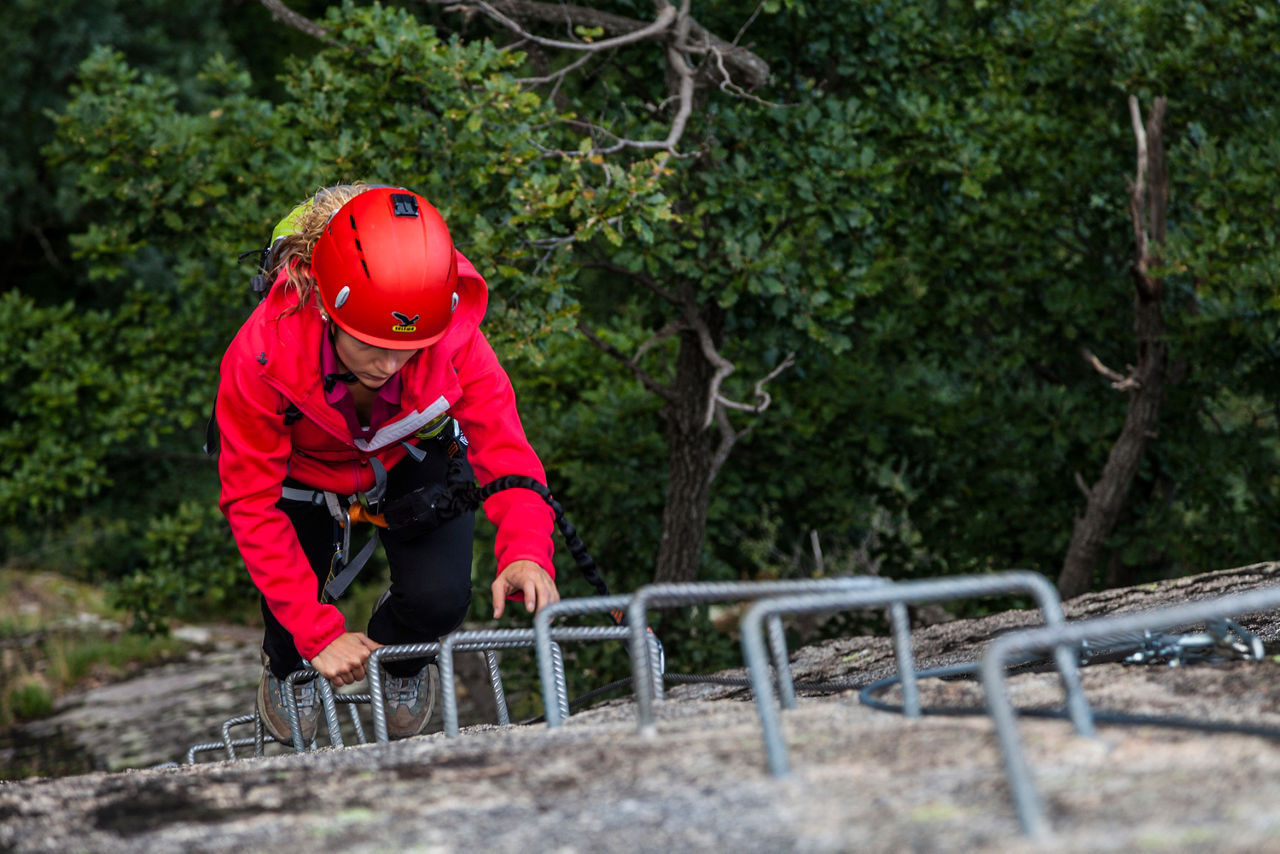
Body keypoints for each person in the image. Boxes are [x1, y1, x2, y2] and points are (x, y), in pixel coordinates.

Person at [214, 184, 560, 741]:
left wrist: (525, 548)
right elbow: (251, 502)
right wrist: (316, 633)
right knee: (292, 604)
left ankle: (401, 661)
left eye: (408, 348)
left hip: (409, 452)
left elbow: (505, 448)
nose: (389, 365)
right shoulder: (262, 355)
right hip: (305, 469)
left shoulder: (451, 340)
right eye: (370, 345)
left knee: (440, 600)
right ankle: (288, 667)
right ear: (327, 307)